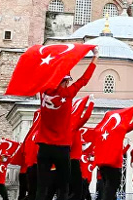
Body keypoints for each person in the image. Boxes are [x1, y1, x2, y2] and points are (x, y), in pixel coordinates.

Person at [34, 52, 98, 200]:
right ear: (65, 80)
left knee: (41, 188)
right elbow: (84, 79)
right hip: (61, 147)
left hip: (44, 146)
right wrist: (95, 58)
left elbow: (40, 75)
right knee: (63, 188)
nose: (68, 83)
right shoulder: (68, 93)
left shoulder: (43, 92)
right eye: (67, 81)